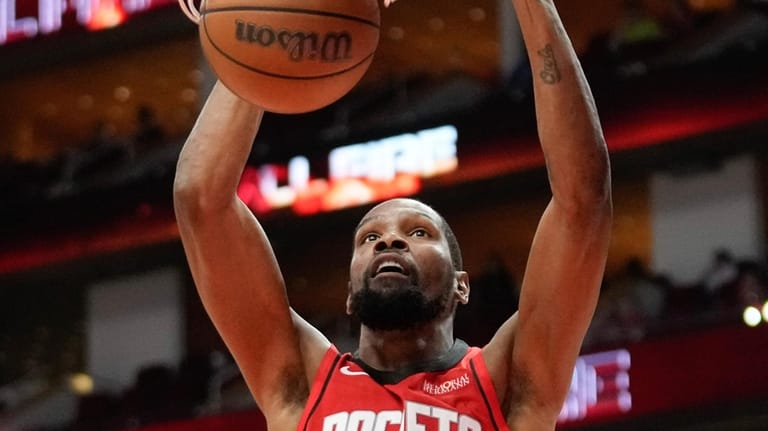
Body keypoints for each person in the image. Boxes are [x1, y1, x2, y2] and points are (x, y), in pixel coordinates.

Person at [173, 1, 612, 430]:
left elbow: (583, 201)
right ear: (348, 293)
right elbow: (201, 202)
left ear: (462, 285)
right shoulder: (302, 384)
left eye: (418, 232)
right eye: (369, 238)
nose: (388, 241)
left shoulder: (506, 384)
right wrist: (261, 20)